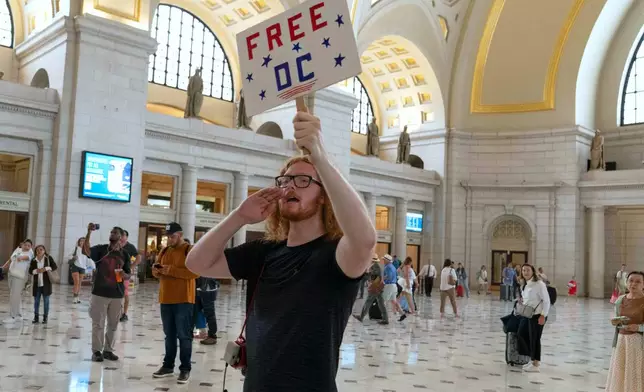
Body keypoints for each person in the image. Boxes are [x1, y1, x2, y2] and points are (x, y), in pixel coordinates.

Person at [185, 99, 377, 392]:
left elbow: (365, 239)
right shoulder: (264, 252)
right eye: (285, 180)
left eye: (302, 180)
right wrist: (238, 216)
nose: (289, 186)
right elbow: (196, 263)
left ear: (324, 195)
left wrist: (321, 158)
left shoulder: (336, 255)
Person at [151, 222, 198, 384]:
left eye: (172, 236)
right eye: (168, 236)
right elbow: (156, 272)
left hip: (184, 300)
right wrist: (157, 270)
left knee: (184, 336)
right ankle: (168, 366)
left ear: (180, 235)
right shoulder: (164, 250)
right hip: (166, 299)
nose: (169, 239)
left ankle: (185, 369)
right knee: (169, 335)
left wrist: (170, 270)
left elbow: (195, 273)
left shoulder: (189, 250)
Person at [82, 224, 131, 362]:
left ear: (121, 237)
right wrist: (88, 233)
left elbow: (128, 274)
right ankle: (97, 351)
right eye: (111, 232)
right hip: (99, 293)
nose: (112, 234)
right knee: (98, 323)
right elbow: (86, 251)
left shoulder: (125, 254)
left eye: (115, 232)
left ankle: (108, 350)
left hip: (117, 294)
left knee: (113, 324)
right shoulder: (101, 249)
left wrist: (124, 274)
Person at [605, 271, 644, 391]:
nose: (633, 284)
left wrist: (638, 328)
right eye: (631, 280)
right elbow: (618, 319)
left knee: (634, 372)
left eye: (638, 282)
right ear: (626, 282)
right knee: (620, 372)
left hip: (638, 343)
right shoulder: (620, 300)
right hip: (621, 341)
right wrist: (615, 321)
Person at [517, 263, 551, 372]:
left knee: (535, 339)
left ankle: (536, 363)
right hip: (528, 314)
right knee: (522, 333)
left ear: (532, 271)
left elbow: (546, 301)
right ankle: (531, 359)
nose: (525, 272)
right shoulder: (525, 284)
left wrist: (543, 315)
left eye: (527, 270)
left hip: (538, 315)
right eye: (523, 270)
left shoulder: (539, 284)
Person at [3, 240, 33, 324]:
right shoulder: (18, 249)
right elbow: (10, 259)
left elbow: (22, 258)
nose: (27, 247)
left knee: (14, 296)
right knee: (15, 295)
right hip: (11, 274)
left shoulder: (30, 252)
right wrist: (4, 267)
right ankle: (18, 314)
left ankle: (13, 316)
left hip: (20, 277)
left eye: (28, 245)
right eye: (25, 245)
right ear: (22, 244)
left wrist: (19, 257)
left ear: (31, 247)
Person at [354, 257, 388, 324]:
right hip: (378, 288)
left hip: (375, 288)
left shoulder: (375, 267)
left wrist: (367, 274)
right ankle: (385, 319)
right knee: (381, 304)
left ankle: (361, 317)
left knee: (368, 302)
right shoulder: (375, 266)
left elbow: (374, 277)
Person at [29, 245, 58, 324]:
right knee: (36, 301)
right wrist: (37, 271)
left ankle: (45, 318)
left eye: (41, 249)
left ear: (44, 251)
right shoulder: (33, 260)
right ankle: (36, 317)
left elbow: (54, 266)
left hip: (46, 284)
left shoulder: (48, 258)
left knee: (46, 301)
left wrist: (46, 268)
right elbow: (30, 271)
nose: (39, 251)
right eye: (37, 250)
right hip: (37, 284)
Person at [119, 230, 140, 322]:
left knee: (125, 293)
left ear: (126, 237)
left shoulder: (130, 247)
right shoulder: (115, 245)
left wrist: (132, 266)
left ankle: (124, 313)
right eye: (120, 235)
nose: (121, 237)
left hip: (125, 273)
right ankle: (116, 312)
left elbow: (138, 257)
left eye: (123, 235)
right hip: (115, 272)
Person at [194, 276, 219, 345]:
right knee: (195, 311)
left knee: (209, 313)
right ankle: (192, 332)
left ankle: (212, 336)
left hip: (207, 287)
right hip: (198, 286)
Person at [381, 254, 404, 321]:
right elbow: (396, 276)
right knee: (394, 301)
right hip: (394, 285)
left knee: (383, 301)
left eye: (384, 260)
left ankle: (385, 318)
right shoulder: (393, 267)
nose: (383, 261)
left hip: (389, 285)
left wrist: (382, 279)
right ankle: (402, 314)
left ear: (387, 260)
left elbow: (389, 276)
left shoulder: (388, 267)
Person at [70, 237, 91, 304]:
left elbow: (89, 260)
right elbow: (69, 256)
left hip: (83, 267)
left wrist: (90, 268)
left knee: (79, 283)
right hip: (75, 266)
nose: (82, 242)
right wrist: (73, 257)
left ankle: (77, 297)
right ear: (79, 242)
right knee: (76, 282)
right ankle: (74, 297)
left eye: (84, 241)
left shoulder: (88, 250)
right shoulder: (76, 249)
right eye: (81, 241)